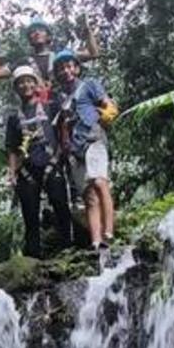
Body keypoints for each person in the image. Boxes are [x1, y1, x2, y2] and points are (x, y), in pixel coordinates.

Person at [52, 49, 118, 253]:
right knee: (88, 194)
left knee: (100, 182)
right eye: (61, 68)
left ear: (77, 68)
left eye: (69, 66)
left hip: (93, 138)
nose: (66, 71)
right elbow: (61, 125)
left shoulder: (89, 85)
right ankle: (96, 241)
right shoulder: (61, 97)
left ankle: (109, 233)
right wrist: (65, 148)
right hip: (74, 149)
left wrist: (108, 113)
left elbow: (108, 105)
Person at [5, 65, 72, 258]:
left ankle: (67, 248)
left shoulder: (51, 106)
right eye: (21, 83)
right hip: (27, 171)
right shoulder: (13, 118)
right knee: (30, 215)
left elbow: (64, 126)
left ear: (35, 84)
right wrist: (11, 172)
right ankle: (33, 257)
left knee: (61, 206)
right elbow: (11, 148)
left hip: (52, 163)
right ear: (16, 88)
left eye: (29, 81)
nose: (25, 86)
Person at [0, 16, 99, 102]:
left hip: (65, 104)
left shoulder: (61, 56)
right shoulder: (24, 62)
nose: (36, 33)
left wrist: (88, 32)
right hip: (40, 111)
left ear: (48, 36)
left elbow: (93, 54)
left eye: (40, 30)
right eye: (33, 31)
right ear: (29, 39)